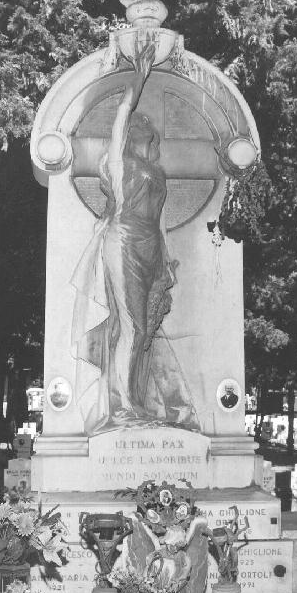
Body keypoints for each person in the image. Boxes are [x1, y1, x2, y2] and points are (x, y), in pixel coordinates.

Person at [71, 38, 198, 433]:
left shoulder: (155, 172)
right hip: (123, 240)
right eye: (140, 126)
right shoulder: (119, 163)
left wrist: (165, 260)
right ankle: (123, 406)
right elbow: (120, 118)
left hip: (149, 246)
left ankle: (134, 400)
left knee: (145, 331)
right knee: (133, 327)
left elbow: (159, 219)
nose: (147, 128)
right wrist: (137, 83)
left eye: (148, 127)